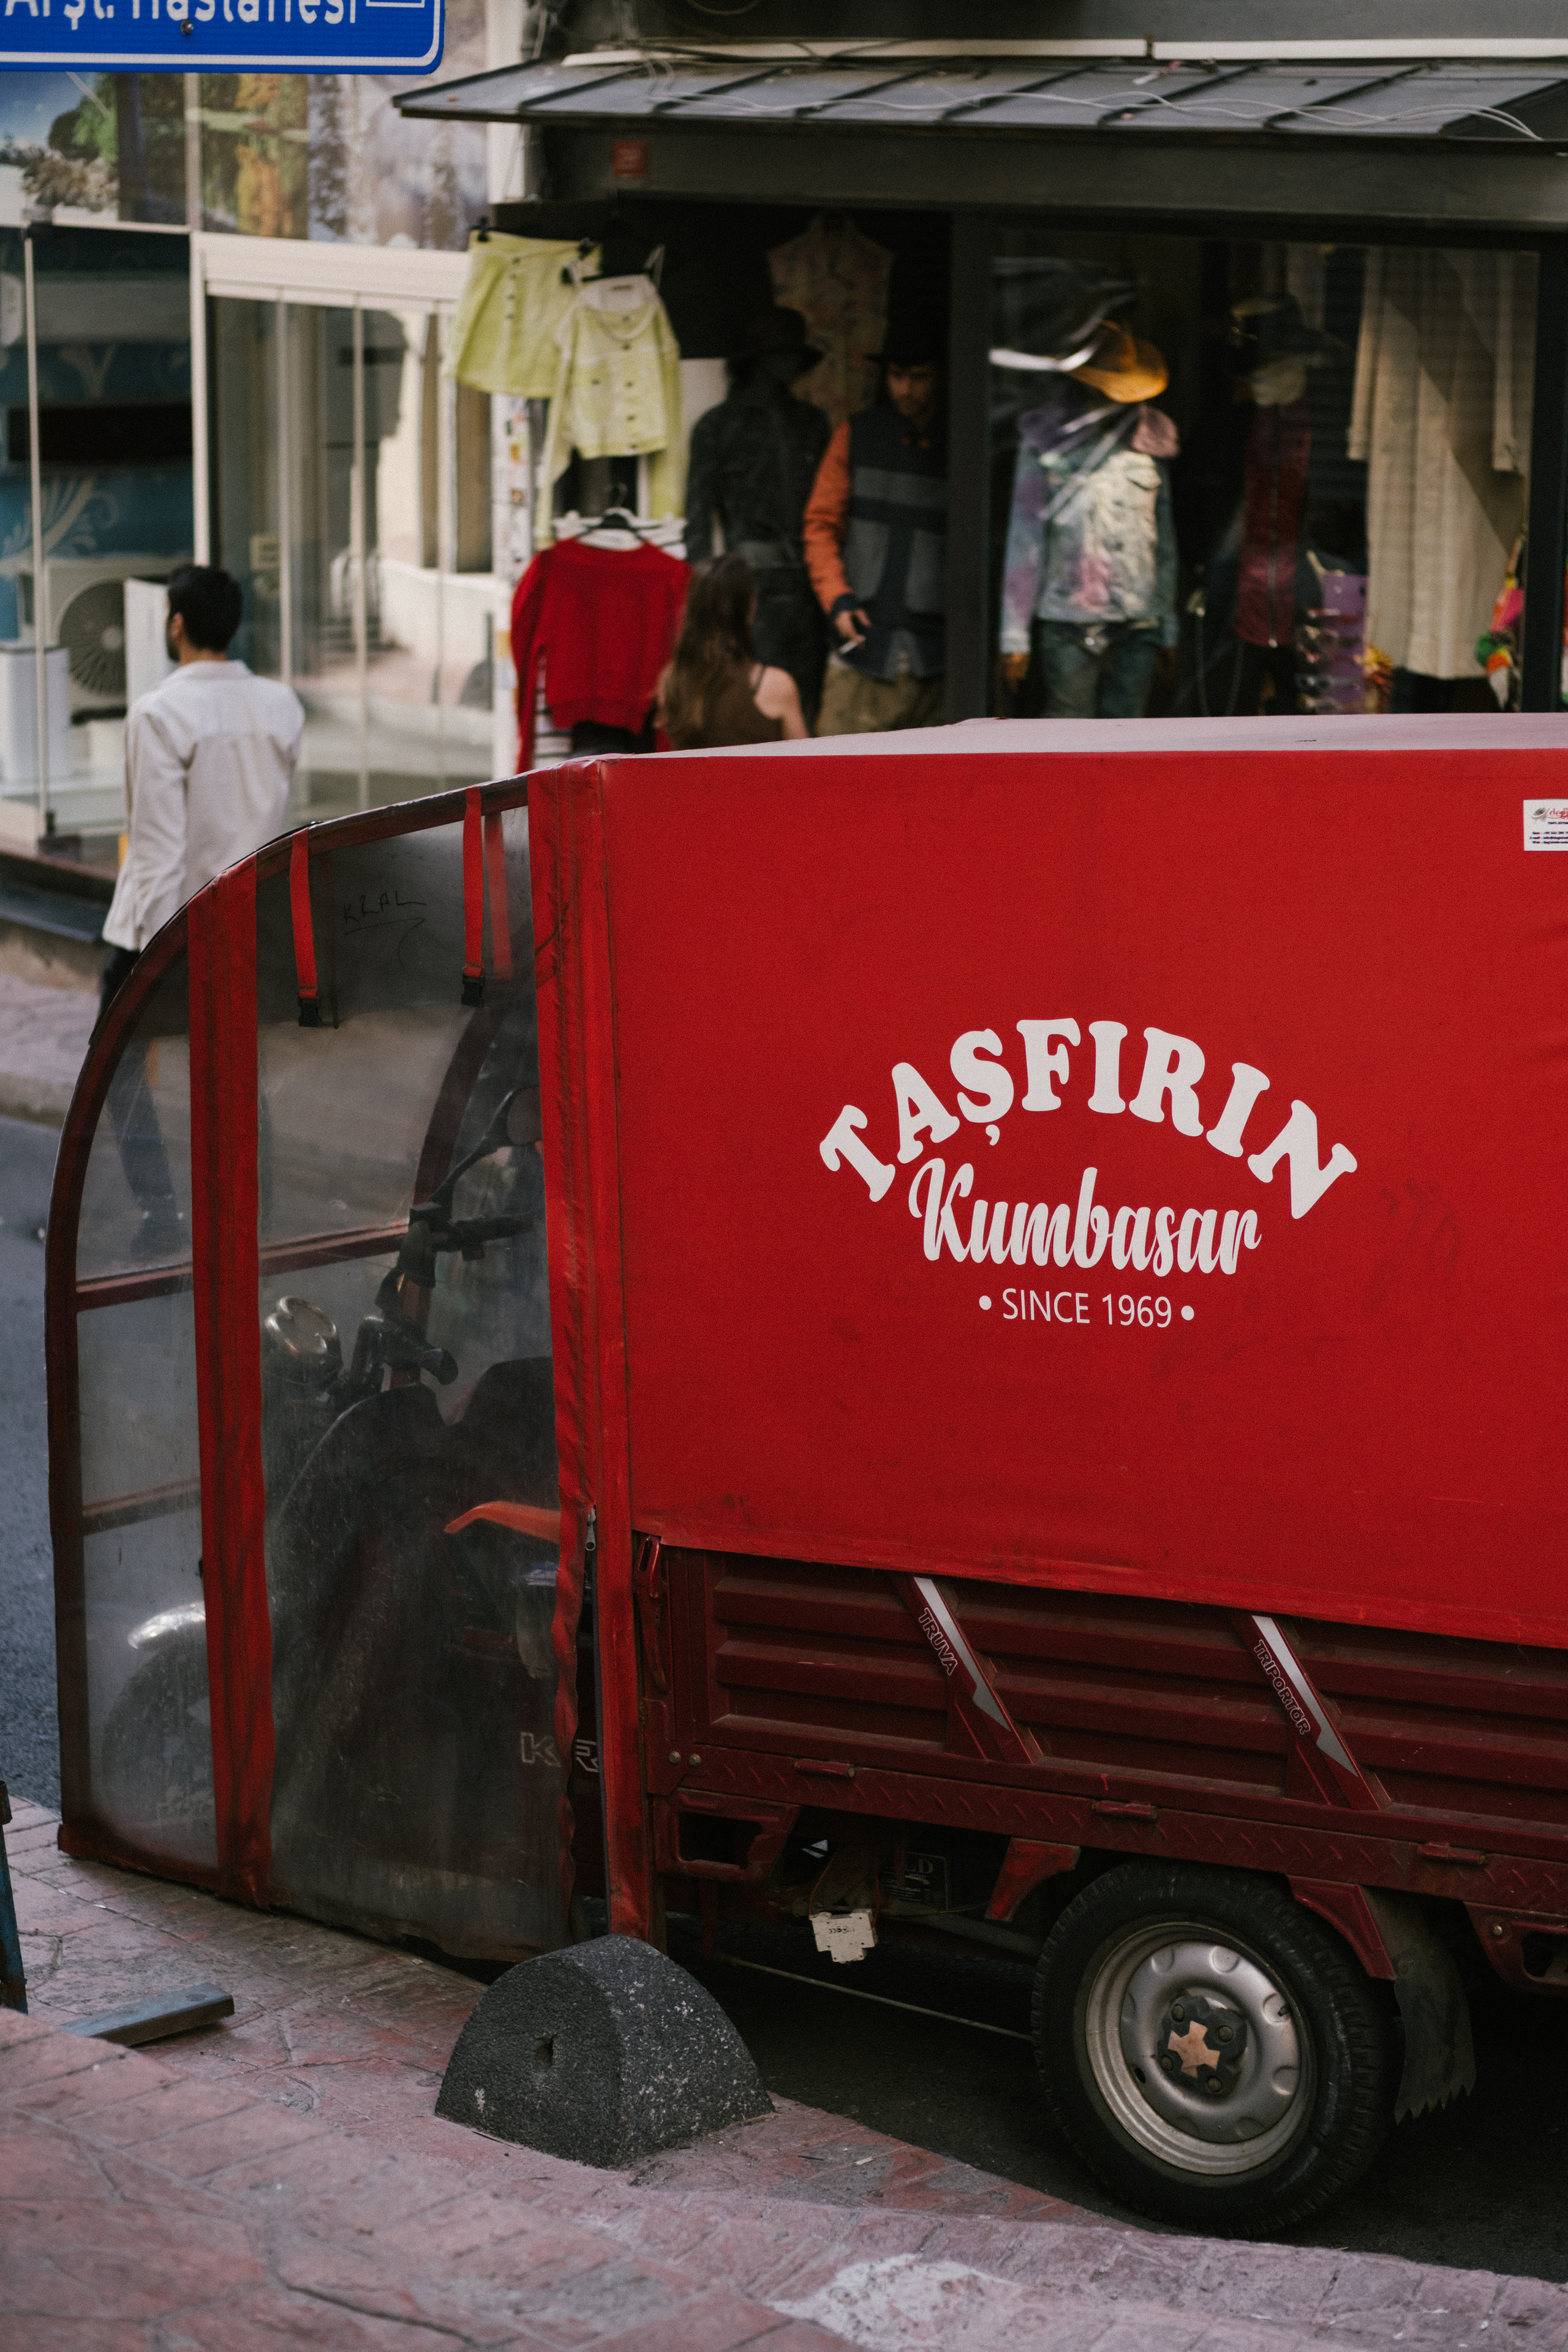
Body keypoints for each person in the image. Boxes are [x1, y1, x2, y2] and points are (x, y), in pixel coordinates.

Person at [99, 564, 305, 1016]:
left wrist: (160, 958)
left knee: (120, 1074)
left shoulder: (159, 714)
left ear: (177, 624)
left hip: (177, 933)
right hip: (253, 924)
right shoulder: (281, 705)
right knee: (246, 1062)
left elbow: (159, 848)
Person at [803, 296, 948, 736]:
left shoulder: (963, 439)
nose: (905, 389)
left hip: (939, 653)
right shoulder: (857, 434)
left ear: (939, 376)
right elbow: (820, 525)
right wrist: (837, 599)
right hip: (863, 641)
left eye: (918, 377)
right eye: (896, 376)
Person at [684, 307, 831, 724]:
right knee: (750, 709)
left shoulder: (812, 424)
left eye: (792, 355)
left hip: (808, 590)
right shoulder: (718, 427)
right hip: (750, 594)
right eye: (778, 354)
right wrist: (707, 610)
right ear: (757, 361)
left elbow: (832, 515)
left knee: (808, 708)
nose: (788, 365)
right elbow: (696, 523)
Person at [657, 555, 807, 750]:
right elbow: (806, 765)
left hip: (694, 782)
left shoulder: (671, 680)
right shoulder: (774, 685)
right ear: (749, 607)